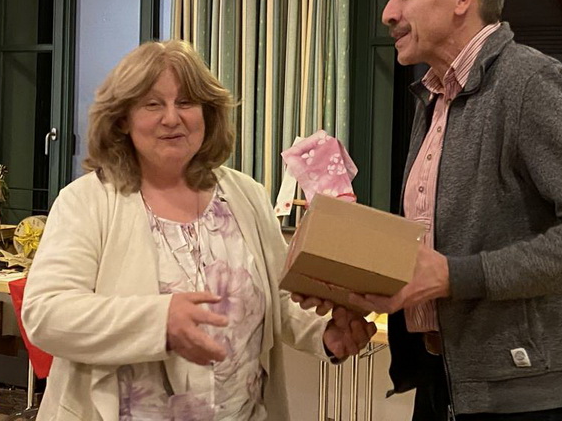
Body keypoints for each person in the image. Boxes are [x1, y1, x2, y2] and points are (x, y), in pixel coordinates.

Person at [299, 0, 562, 420]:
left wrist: (455, 276)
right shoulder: (433, 98)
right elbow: (437, 253)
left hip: (521, 398)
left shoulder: (530, 84)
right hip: (444, 379)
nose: (388, 13)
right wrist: (350, 283)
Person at [22, 40, 375, 421]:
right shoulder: (86, 201)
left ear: (207, 112)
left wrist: (324, 334)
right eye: (152, 104)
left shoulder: (246, 195)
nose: (172, 118)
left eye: (186, 102)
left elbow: (279, 299)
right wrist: (160, 321)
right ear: (122, 119)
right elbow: (46, 314)